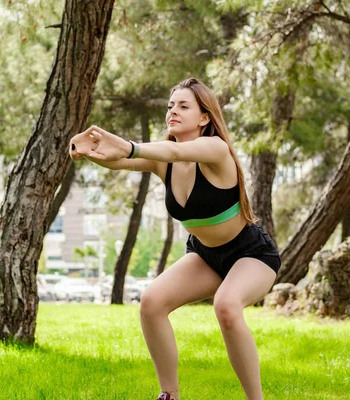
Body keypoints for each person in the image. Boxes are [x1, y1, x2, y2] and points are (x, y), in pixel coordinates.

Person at [69, 78, 281, 400]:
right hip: (205, 255)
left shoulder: (215, 149)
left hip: (250, 253)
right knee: (152, 303)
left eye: (184, 106)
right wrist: (86, 150)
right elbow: (120, 161)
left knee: (226, 306)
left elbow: (163, 149)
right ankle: (169, 394)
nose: (173, 111)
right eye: (171, 106)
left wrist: (129, 146)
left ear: (204, 117)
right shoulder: (162, 161)